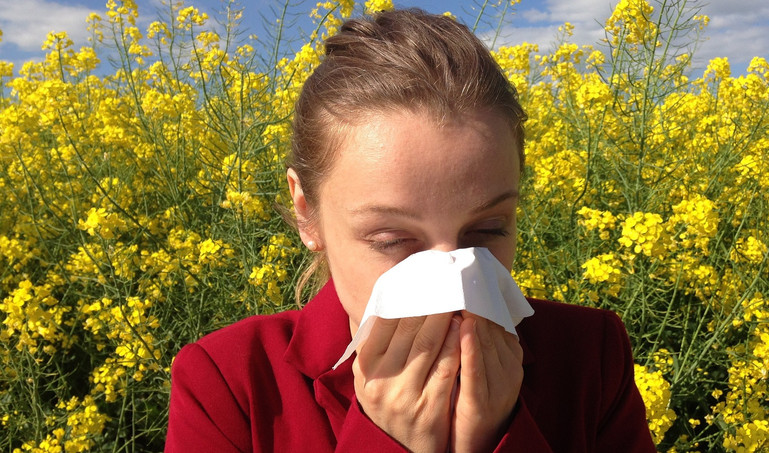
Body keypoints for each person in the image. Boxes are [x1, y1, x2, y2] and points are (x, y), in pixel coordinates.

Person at [165, 8, 655, 452]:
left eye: (487, 230)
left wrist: (499, 434)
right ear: (306, 214)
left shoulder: (590, 356)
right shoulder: (230, 385)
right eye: (392, 240)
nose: (453, 285)